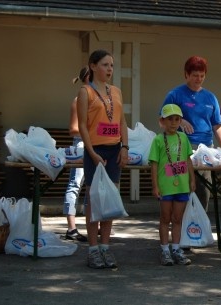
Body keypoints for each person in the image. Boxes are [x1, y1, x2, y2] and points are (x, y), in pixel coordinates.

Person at [77, 49, 129, 269]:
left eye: (112, 65)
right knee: (93, 200)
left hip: (114, 150)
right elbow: (82, 126)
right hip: (95, 152)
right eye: (105, 65)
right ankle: (92, 249)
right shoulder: (85, 92)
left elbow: (122, 122)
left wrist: (125, 147)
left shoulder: (116, 91)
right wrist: (92, 153)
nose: (109, 69)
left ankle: (106, 247)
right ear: (93, 66)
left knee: (110, 200)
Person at [161, 56, 221, 212]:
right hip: (181, 148)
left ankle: (198, 225)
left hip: (205, 149)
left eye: (202, 76)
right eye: (195, 75)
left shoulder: (210, 97)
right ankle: (179, 226)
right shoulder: (175, 95)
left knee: (203, 190)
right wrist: (180, 121)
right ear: (186, 75)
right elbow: (162, 119)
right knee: (181, 189)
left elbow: (217, 124)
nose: (199, 79)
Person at [148, 104, 196, 266]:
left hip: (181, 185)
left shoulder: (183, 138)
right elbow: (154, 164)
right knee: (165, 218)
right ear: (162, 121)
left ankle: (176, 248)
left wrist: (192, 179)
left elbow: (188, 160)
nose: (173, 123)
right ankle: (165, 250)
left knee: (177, 218)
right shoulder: (158, 140)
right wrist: (155, 186)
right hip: (166, 186)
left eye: (177, 119)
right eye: (170, 119)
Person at [63, 66, 89, 242]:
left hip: (96, 145)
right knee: (75, 184)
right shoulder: (78, 100)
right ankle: (71, 228)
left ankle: (92, 225)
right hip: (81, 145)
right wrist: (87, 132)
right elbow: (72, 129)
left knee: (92, 186)